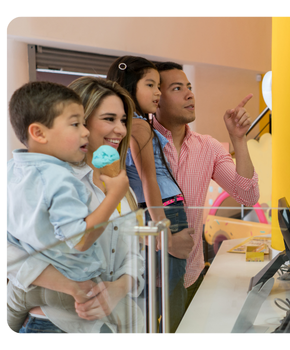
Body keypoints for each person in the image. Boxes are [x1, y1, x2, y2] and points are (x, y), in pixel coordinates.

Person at [7, 77, 145, 333]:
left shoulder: (121, 187)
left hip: (108, 326)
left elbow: (133, 253)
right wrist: (71, 287)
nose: (121, 130)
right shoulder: (46, 181)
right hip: (55, 324)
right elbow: (6, 250)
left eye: (123, 120)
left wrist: (119, 288)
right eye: (109, 119)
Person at [152, 61, 260, 311]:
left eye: (189, 87)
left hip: (192, 276)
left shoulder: (208, 146)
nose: (190, 94)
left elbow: (248, 195)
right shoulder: (140, 143)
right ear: (156, 98)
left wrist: (239, 140)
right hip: (148, 281)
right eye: (177, 88)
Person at [106, 56, 194, 332]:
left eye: (159, 86)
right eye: (150, 85)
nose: (158, 92)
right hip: (165, 210)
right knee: (170, 292)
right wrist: (161, 229)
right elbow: (149, 180)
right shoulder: (141, 126)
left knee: (155, 289)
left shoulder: (129, 125)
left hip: (154, 211)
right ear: (131, 87)